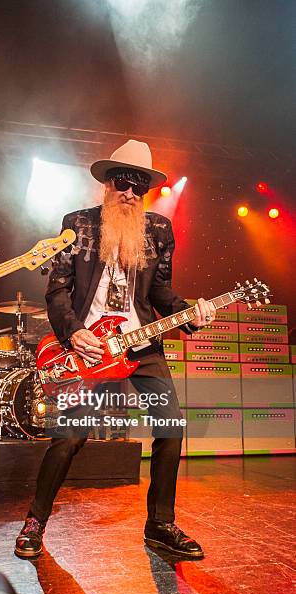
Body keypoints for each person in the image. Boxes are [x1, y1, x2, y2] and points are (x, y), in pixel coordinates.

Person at [14, 140, 216, 559]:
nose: (129, 192)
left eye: (139, 187)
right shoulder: (78, 224)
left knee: (170, 429)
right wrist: (73, 334)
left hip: (141, 348)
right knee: (70, 437)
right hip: (89, 349)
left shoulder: (158, 230)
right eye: (123, 182)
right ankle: (36, 520)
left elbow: (160, 292)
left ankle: (160, 525)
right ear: (107, 184)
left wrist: (190, 312)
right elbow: (57, 290)